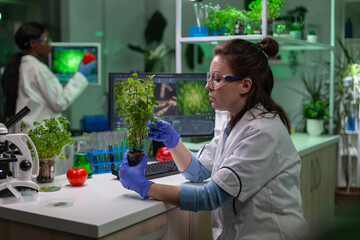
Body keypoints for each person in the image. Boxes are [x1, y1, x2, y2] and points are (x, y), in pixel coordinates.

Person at [119, 38, 309, 239]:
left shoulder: (262, 133)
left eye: (217, 79)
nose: (207, 86)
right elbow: (198, 171)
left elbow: (210, 196)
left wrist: (145, 187)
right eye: (209, 77)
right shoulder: (237, 124)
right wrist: (172, 140)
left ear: (245, 85)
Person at [1, 22, 96, 132]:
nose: (50, 45)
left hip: (26, 134)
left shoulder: (21, 66)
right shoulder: (37, 68)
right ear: (33, 43)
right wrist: (81, 75)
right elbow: (60, 102)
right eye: (46, 41)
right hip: (39, 137)